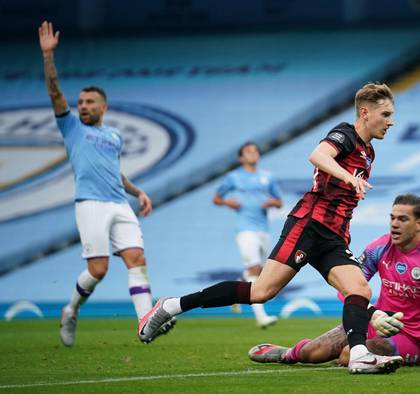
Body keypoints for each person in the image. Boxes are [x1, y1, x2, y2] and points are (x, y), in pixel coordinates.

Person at [139, 82, 402, 374]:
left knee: (360, 289)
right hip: (309, 225)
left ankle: (359, 355)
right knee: (261, 292)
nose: (391, 121)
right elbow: (317, 156)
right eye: (386, 114)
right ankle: (171, 306)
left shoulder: (369, 153)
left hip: (334, 236)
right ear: (365, 113)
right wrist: (348, 177)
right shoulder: (346, 134)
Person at [38, 21, 175, 347]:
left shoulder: (113, 136)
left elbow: (115, 173)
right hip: (91, 205)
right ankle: (70, 311)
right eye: (81, 102)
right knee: (98, 269)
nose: (82, 106)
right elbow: (55, 91)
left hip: (118, 203)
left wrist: (138, 191)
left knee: (137, 260)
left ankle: (146, 322)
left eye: (89, 102)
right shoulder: (71, 126)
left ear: (103, 106)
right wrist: (48, 56)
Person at [248, 194, 420, 369]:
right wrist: (372, 313)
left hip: (412, 340)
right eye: (392, 218)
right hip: (374, 323)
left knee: (347, 355)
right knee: (312, 353)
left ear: (419, 223)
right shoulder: (379, 248)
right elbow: (345, 286)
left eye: (403, 219)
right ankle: (287, 353)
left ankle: (354, 358)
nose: (394, 224)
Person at [213, 142, 283, 328]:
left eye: (255, 151)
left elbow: (279, 202)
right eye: (248, 152)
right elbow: (217, 198)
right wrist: (229, 203)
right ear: (241, 157)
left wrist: (272, 202)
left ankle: (236, 289)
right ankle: (261, 317)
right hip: (245, 229)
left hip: (264, 229)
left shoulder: (267, 177)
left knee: (260, 272)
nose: (253, 154)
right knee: (253, 268)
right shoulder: (234, 177)